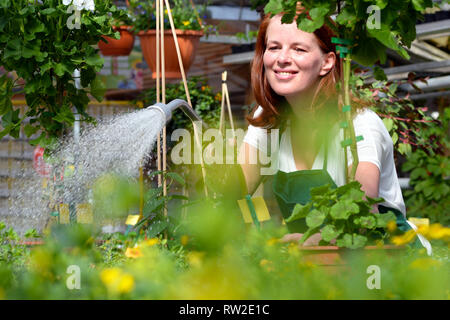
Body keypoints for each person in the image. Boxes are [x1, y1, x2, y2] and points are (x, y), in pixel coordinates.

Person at [238, 13, 430, 251]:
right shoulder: (266, 120)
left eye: (299, 49)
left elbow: (363, 215)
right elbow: (235, 190)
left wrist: (314, 241)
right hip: (318, 265)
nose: (282, 59)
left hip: (388, 260)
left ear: (327, 62)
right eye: (274, 47)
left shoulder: (359, 125)